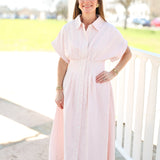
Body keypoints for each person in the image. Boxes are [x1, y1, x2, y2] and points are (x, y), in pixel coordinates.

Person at [49, 0, 132, 159]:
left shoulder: (108, 30)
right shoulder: (68, 29)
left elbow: (127, 53)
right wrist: (59, 89)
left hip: (97, 89)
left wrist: (113, 72)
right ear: (78, 3)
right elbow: (63, 60)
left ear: (98, 3)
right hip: (71, 87)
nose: (87, 2)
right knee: (70, 130)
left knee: (94, 132)